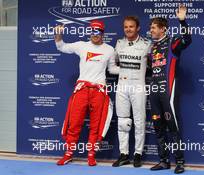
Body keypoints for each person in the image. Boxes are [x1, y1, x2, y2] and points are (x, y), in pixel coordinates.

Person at [54, 20, 119, 166]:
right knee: (74, 122)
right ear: (90, 32)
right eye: (93, 31)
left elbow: (113, 69)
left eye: (98, 32)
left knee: (96, 125)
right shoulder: (82, 46)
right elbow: (61, 46)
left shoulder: (109, 49)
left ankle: (91, 155)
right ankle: (69, 154)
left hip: (99, 91)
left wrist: (130, 69)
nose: (95, 35)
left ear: (103, 33)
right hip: (82, 89)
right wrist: (58, 34)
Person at [148, 5, 192, 174]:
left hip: (168, 91)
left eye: (153, 27)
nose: (151, 30)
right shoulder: (153, 47)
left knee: (173, 127)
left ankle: (179, 161)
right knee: (158, 126)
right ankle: (164, 161)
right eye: (150, 27)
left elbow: (187, 40)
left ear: (163, 29)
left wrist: (182, 21)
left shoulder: (173, 43)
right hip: (154, 92)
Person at [112, 16, 151, 168]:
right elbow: (111, 65)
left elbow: (155, 64)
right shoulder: (119, 44)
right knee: (122, 121)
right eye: (126, 27)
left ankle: (138, 154)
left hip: (138, 87)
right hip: (122, 86)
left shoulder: (147, 44)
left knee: (140, 121)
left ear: (138, 28)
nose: (128, 29)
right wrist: (123, 71)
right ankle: (123, 154)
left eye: (131, 27)